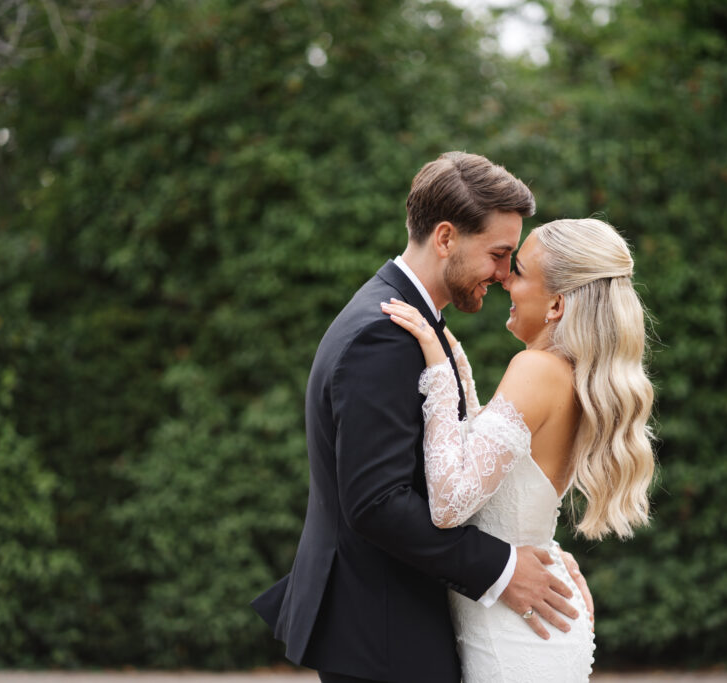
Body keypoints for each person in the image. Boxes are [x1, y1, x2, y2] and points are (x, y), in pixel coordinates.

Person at [252, 152, 587, 683]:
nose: (504, 275)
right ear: (447, 238)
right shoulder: (384, 334)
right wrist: (503, 569)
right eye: (499, 255)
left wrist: (541, 549)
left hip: (397, 627)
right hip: (386, 634)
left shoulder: (405, 324)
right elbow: (377, 501)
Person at [380, 217, 656, 682]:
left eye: (520, 270)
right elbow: (506, 487)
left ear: (556, 304)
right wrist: (458, 366)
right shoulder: (570, 375)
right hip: (527, 626)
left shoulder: (536, 368)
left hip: (517, 645)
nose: (504, 277)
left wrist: (440, 376)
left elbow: (449, 503)